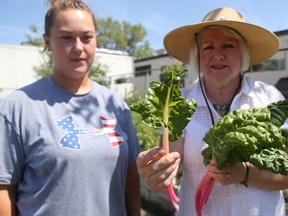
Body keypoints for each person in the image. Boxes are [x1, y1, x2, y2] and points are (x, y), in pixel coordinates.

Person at [136, 7, 288, 216]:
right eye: (208, 47)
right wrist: (158, 173)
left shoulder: (269, 99)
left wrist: (244, 172)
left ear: (242, 53)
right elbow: (169, 159)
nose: (218, 55)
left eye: (228, 46)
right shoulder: (179, 103)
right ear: (197, 55)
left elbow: (285, 172)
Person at [0, 0, 141, 215]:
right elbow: (5, 188)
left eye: (86, 38)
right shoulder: (19, 106)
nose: (78, 47)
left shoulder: (116, 105)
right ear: (47, 42)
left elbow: (131, 174)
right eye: (66, 37)